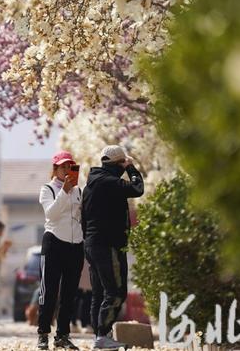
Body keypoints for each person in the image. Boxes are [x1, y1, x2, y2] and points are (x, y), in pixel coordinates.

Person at [82, 145, 144, 349]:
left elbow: (83, 218)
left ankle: (100, 336)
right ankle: (102, 336)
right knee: (116, 292)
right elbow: (137, 189)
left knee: (99, 293)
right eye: (122, 163)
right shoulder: (109, 182)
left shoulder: (92, 184)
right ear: (117, 164)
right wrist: (132, 168)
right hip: (108, 245)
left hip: (92, 244)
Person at [36, 151, 84, 351]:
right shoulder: (48, 189)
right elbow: (52, 214)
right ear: (55, 169)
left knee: (69, 294)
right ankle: (43, 334)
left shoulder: (78, 191)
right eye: (63, 166)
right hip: (54, 242)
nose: (67, 170)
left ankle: (62, 335)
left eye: (70, 166)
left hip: (76, 245)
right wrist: (64, 191)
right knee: (49, 292)